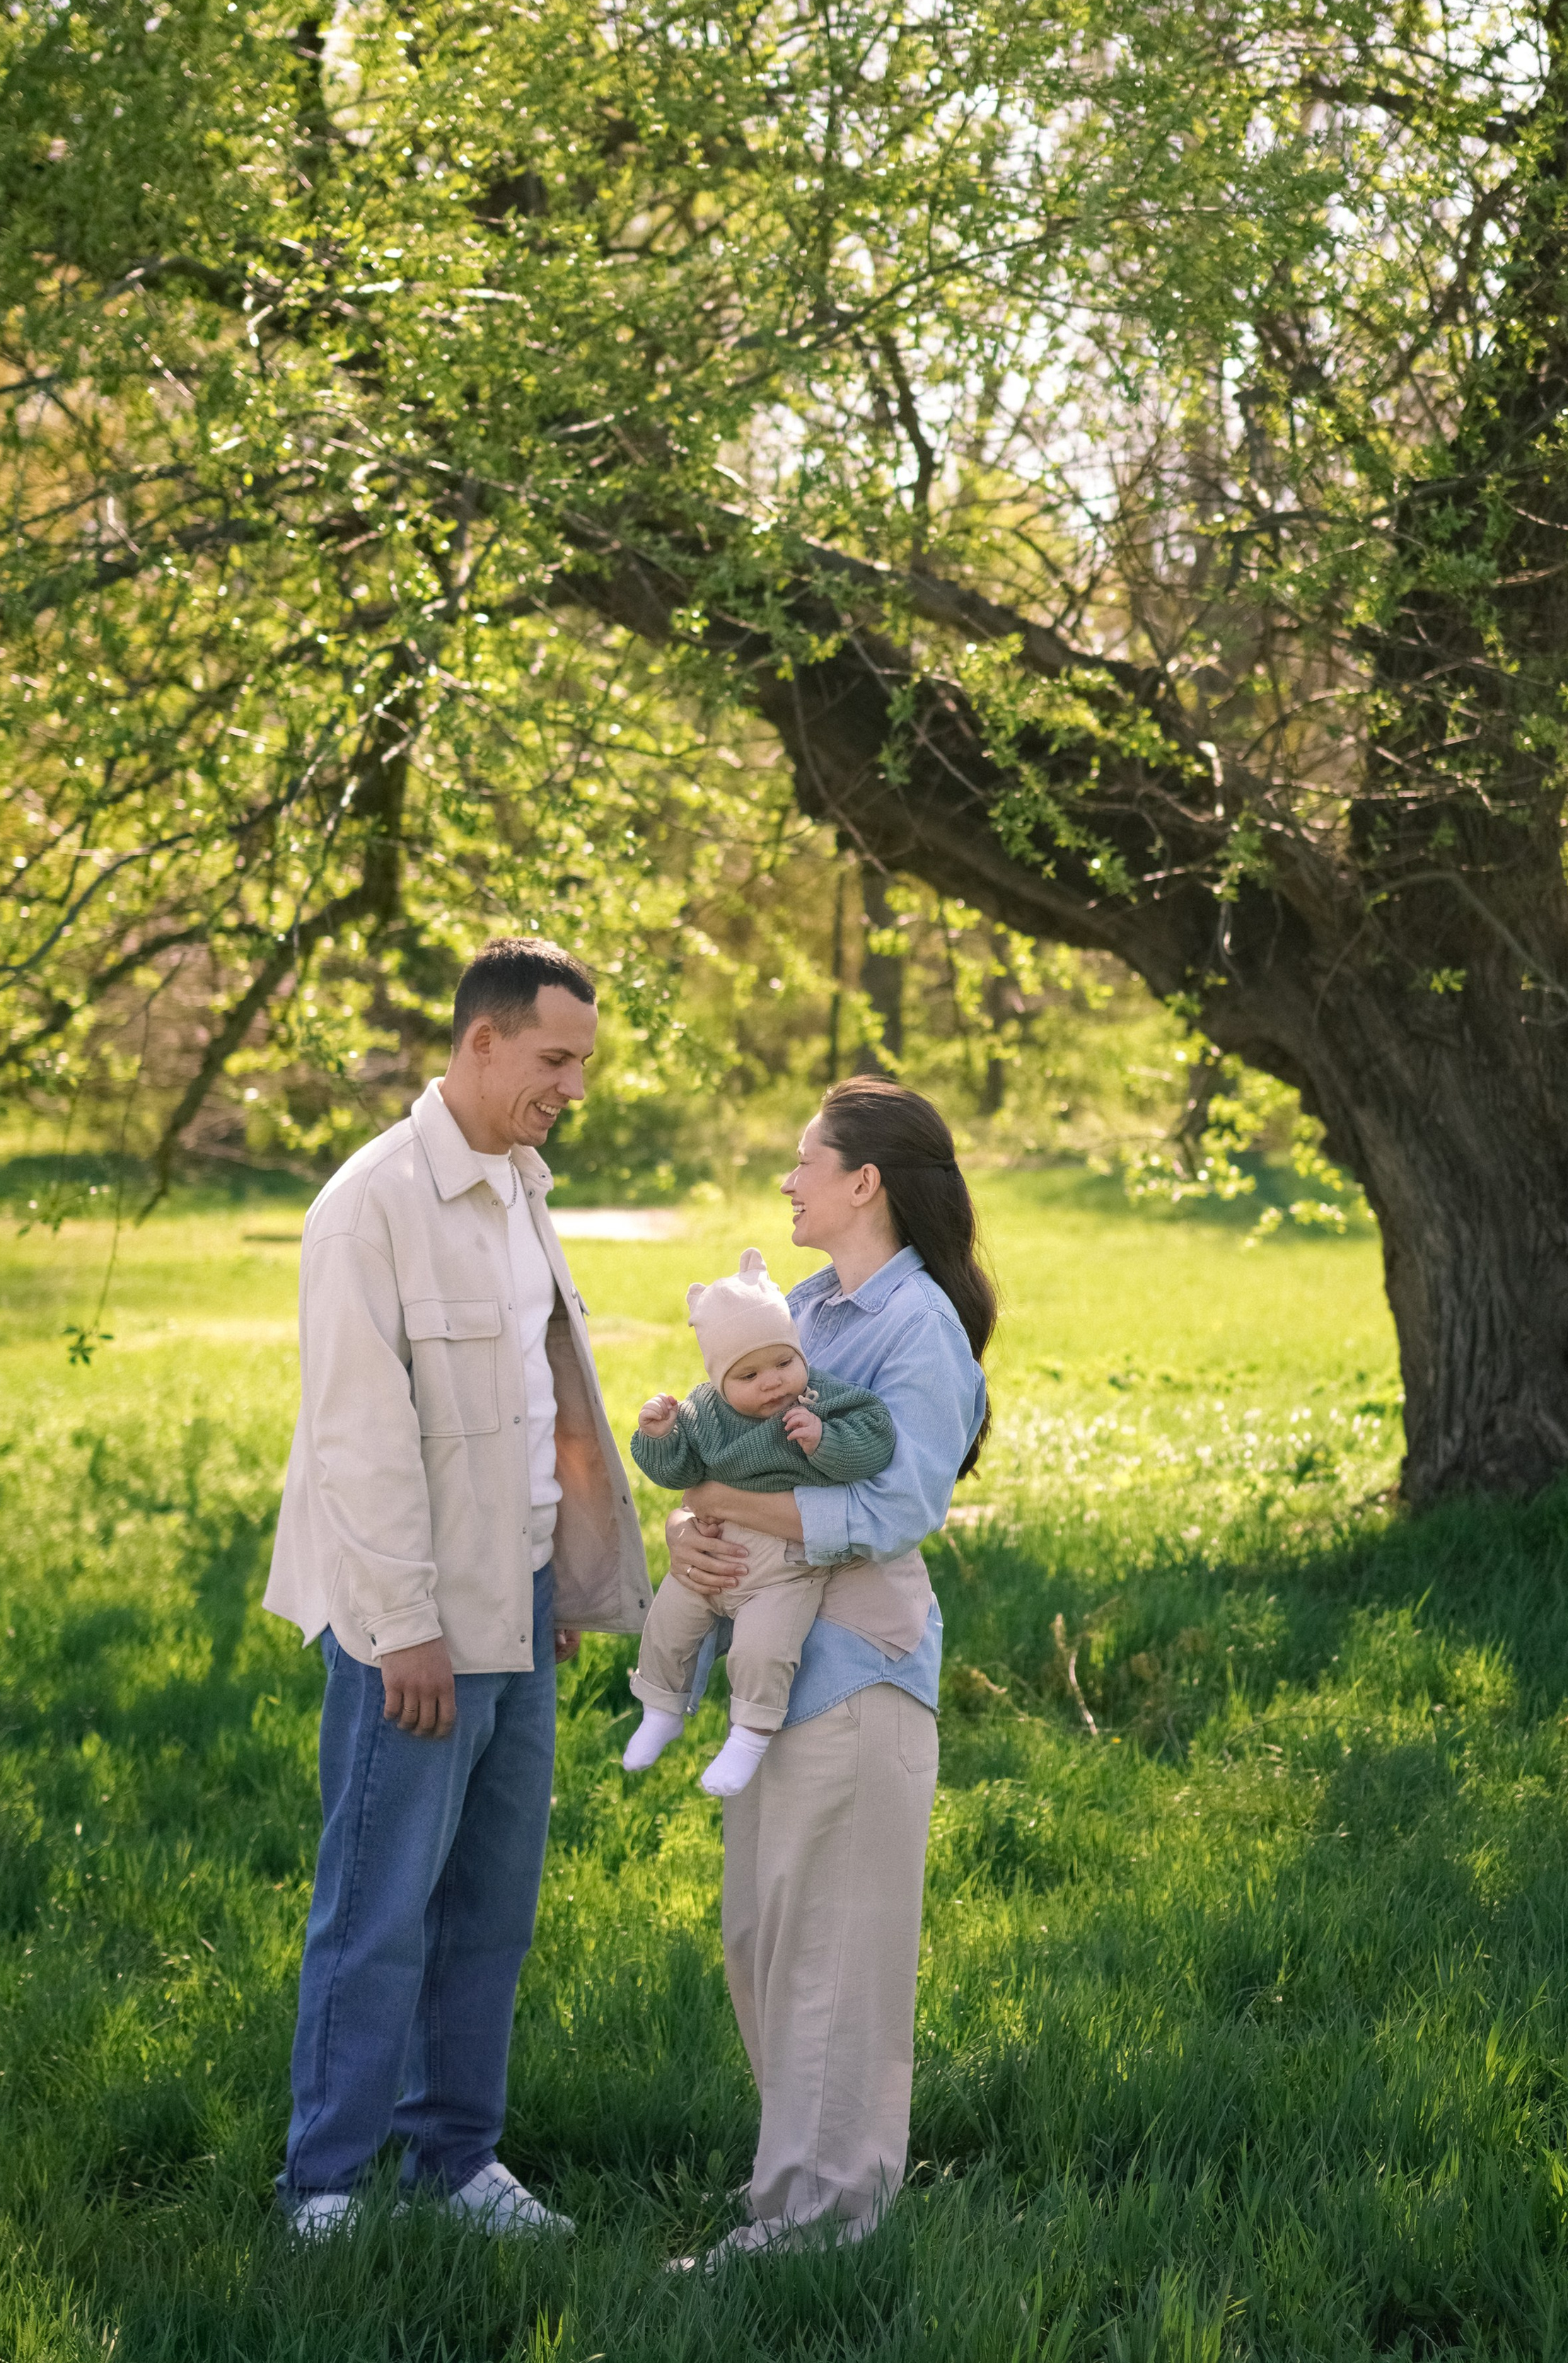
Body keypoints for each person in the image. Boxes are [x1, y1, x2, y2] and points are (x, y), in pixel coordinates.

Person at [262, 937, 653, 2240]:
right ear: (480, 1043)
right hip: (411, 1630)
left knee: (491, 1907)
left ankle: (456, 2161)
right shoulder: (367, 1206)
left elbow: (533, 1407)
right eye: (555, 1059)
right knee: (378, 1910)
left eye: (583, 1063)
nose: (573, 1087)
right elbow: (360, 1441)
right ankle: (326, 2185)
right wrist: (405, 1630)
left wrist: (553, 1578)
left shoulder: (519, 1185)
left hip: (518, 1609)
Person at [663, 1076, 995, 2264]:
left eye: (808, 1159)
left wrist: (716, 1497)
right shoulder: (808, 1309)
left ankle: (826, 2225)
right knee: (764, 1940)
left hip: (862, 1669)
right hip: (779, 1665)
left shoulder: (919, 1329)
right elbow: (737, 1460)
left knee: (836, 1962)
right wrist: (691, 1529)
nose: (790, 1178)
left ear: (866, 1181)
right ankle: (797, 2202)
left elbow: (893, 1505)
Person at [623, 1246, 897, 1796]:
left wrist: (826, 1442)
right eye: (748, 1374)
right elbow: (679, 1473)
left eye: (783, 1362)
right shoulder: (705, 1413)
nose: (772, 1382)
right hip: (713, 1550)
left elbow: (876, 1438)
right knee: (666, 1626)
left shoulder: (821, 1399)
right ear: (720, 1380)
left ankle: (748, 1737)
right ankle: (660, 1710)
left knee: (762, 1651)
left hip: (786, 1565)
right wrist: (658, 1437)